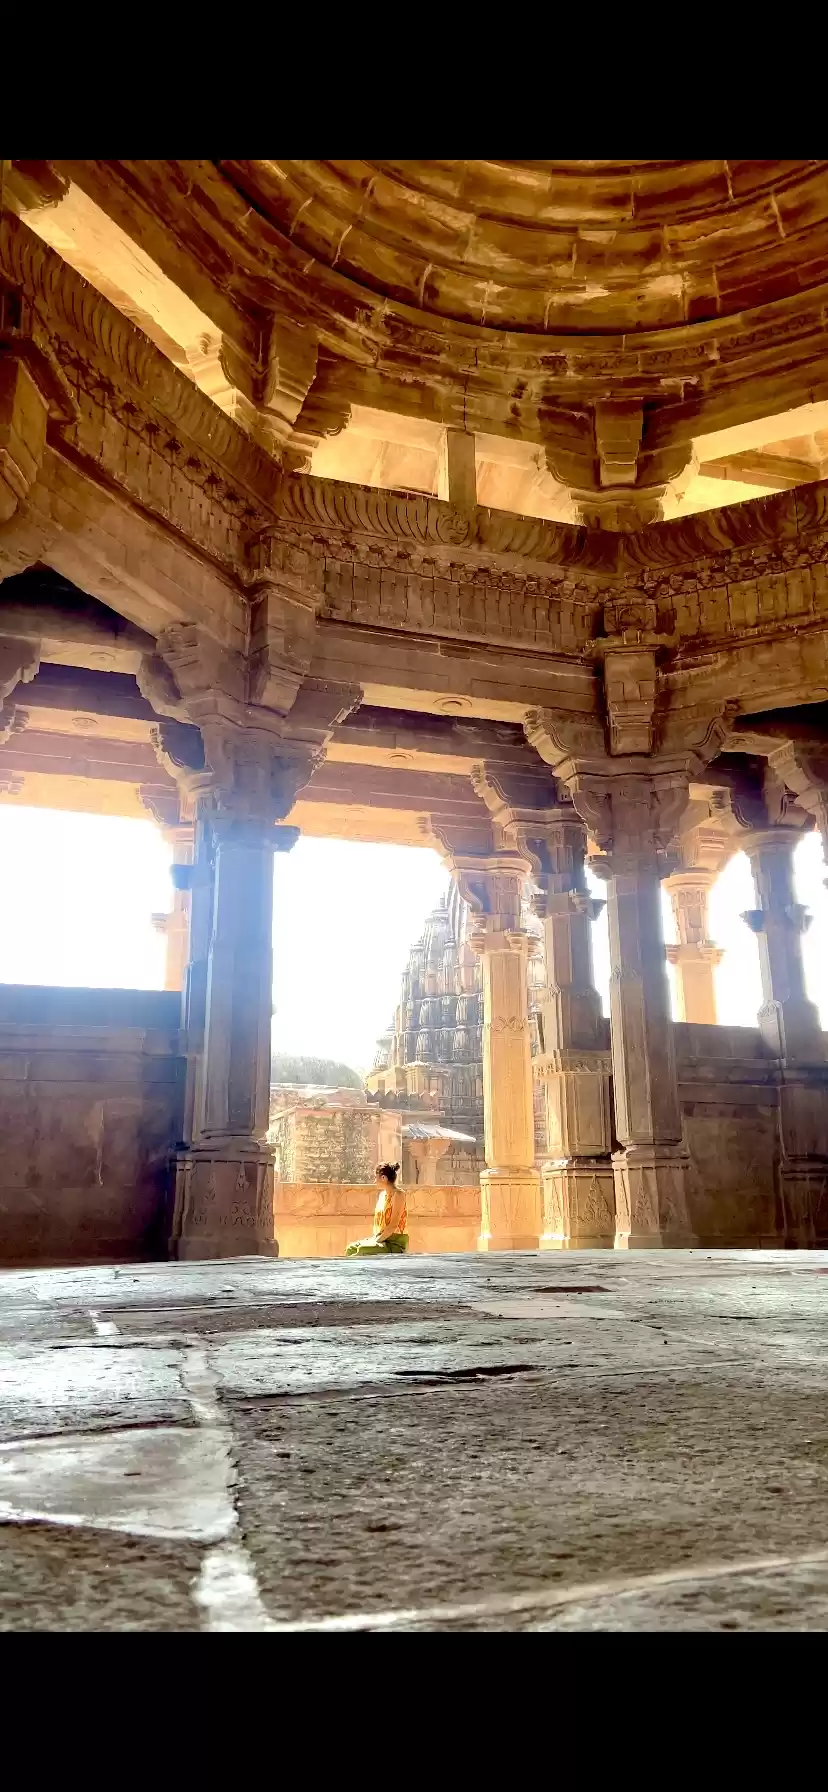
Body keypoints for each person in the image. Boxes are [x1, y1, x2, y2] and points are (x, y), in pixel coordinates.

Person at [345, 1162, 409, 1257]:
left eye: (376, 1177)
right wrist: (375, 1239)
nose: (375, 1181)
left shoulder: (398, 1194)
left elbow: (393, 1225)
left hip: (395, 1242)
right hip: (381, 1238)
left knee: (363, 1250)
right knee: (351, 1248)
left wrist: (376, 1240)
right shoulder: (382, 1195)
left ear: (383, 1178)